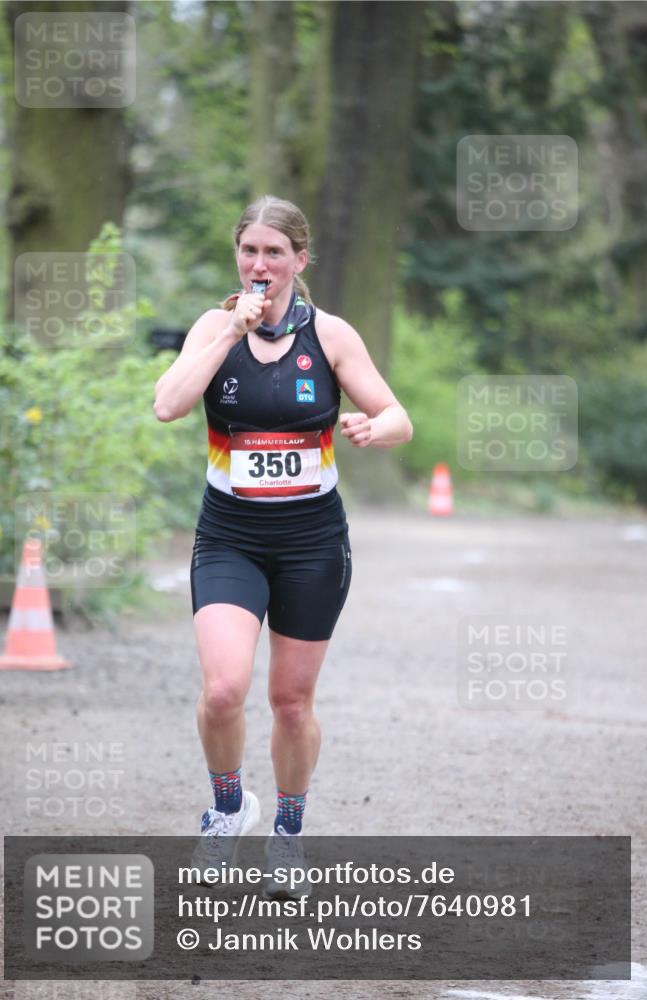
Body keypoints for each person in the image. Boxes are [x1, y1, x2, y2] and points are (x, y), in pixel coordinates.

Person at [153, 195, 412, 894]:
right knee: (221, 690)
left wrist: (372, 428)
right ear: (237, 258)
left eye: (274, 252)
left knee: (291, 703)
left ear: (300, 260)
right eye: (249, 251)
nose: (260, 264)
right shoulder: (215, 326)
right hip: (230, 536)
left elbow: (397, 417)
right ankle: (227, 808)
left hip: (311, 542)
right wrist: (227, 335)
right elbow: (168, 404)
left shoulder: (329, 336)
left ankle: (289, 833)